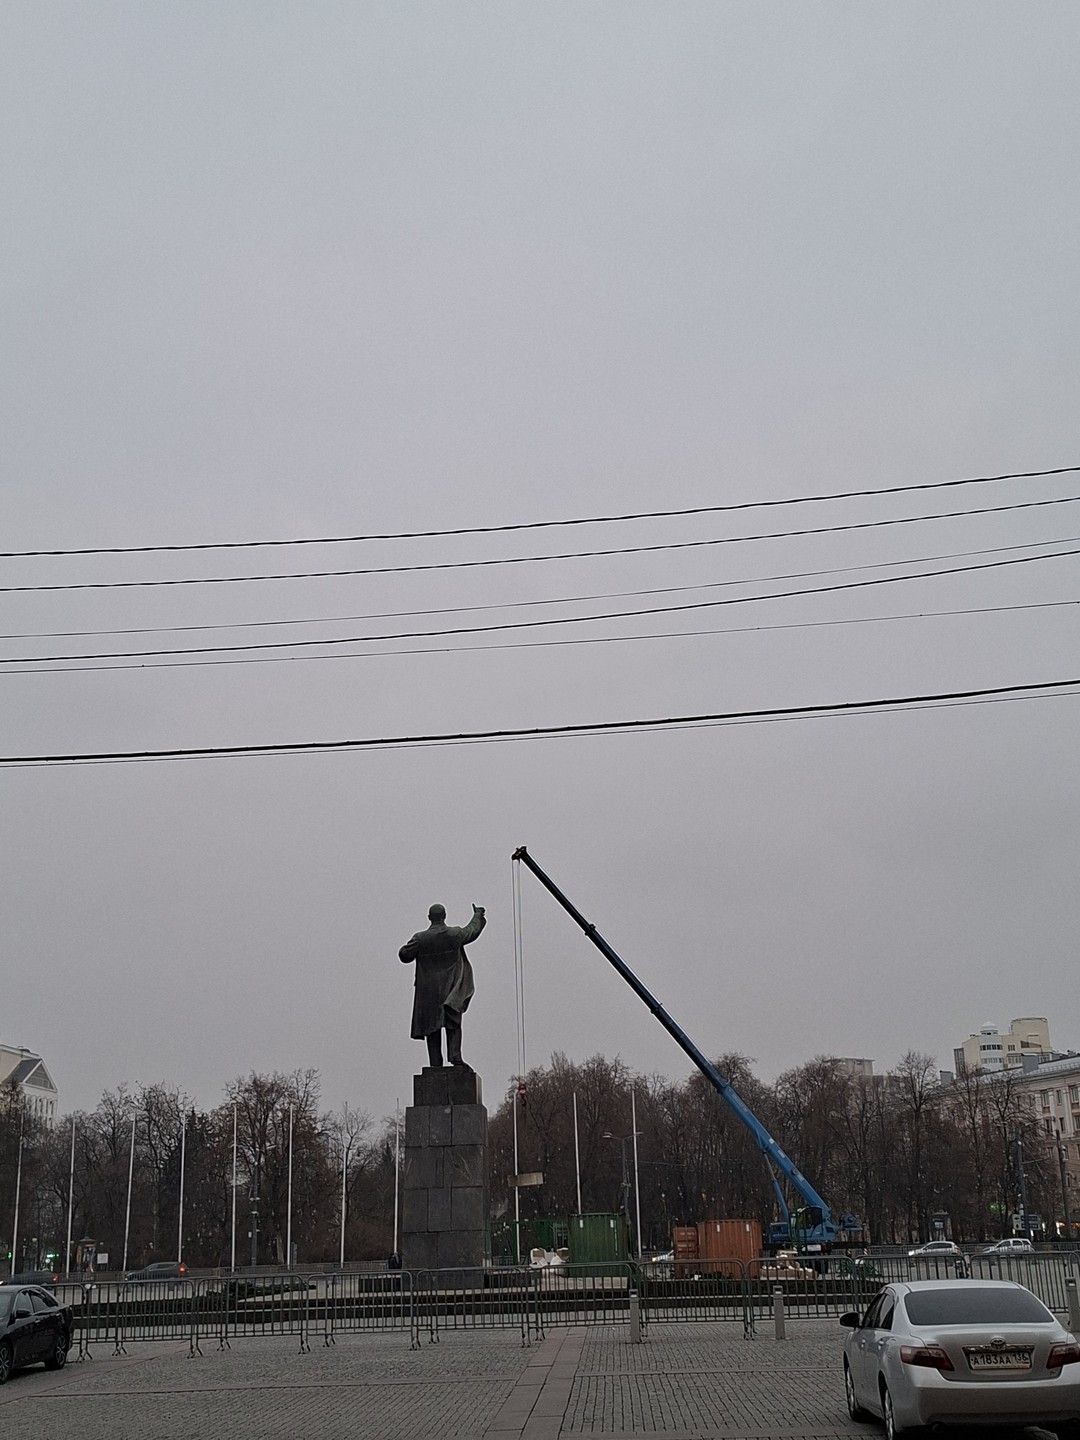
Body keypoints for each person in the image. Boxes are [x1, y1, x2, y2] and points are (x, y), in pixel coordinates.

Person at [399, 902, 486, 1067]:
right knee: (453, 1021)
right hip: (450, 988)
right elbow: (472, 931)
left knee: (432, 1028)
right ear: (444, 916)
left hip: (428, 992)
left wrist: (407, 949)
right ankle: (455, 1056)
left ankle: (435, 1063)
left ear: (429, 918)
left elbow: (404, 955)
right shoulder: (454, 934)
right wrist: (477, 915)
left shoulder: (420, 938)